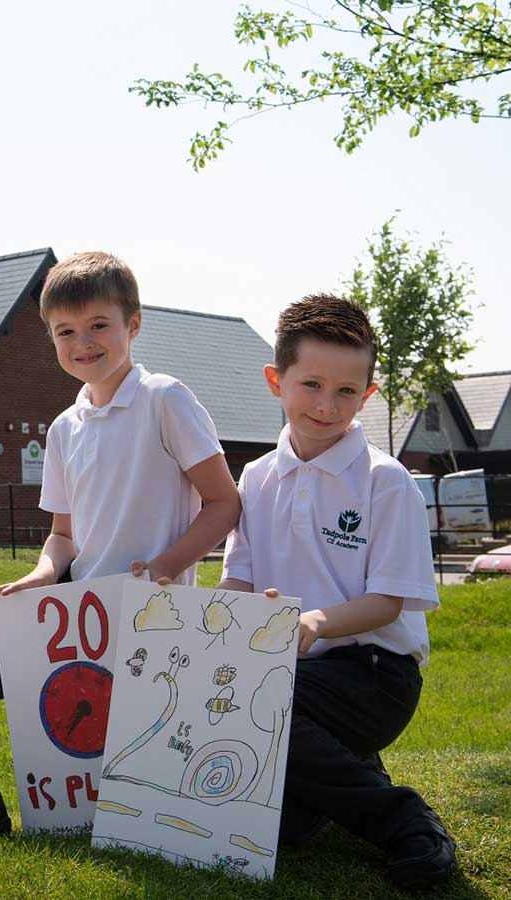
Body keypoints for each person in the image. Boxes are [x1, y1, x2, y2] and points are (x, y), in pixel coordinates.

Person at [0, 251, 241, 837]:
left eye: (98, 326)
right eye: (66, 332)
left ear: (132, 325)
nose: (83, 343)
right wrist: (41, 574)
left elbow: (225, 503)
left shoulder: (165, 398)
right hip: (73, 612)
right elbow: (63, 536)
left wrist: (163, 568)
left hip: (148, 619)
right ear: (51, 339)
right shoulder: (64, 428)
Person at [214, 293, 456, 889]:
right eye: (311, 384)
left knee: (266, 705)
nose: (327, 406)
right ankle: (338, 776)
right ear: (276, 380)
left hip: (376, 673)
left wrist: (315, 623)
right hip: (288, 669)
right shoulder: (256, 476)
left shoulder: (386, 481)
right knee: (283, 829)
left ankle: (408, 823)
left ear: (367, 395)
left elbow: (389, 602)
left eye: (347, 391)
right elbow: (239, 580)